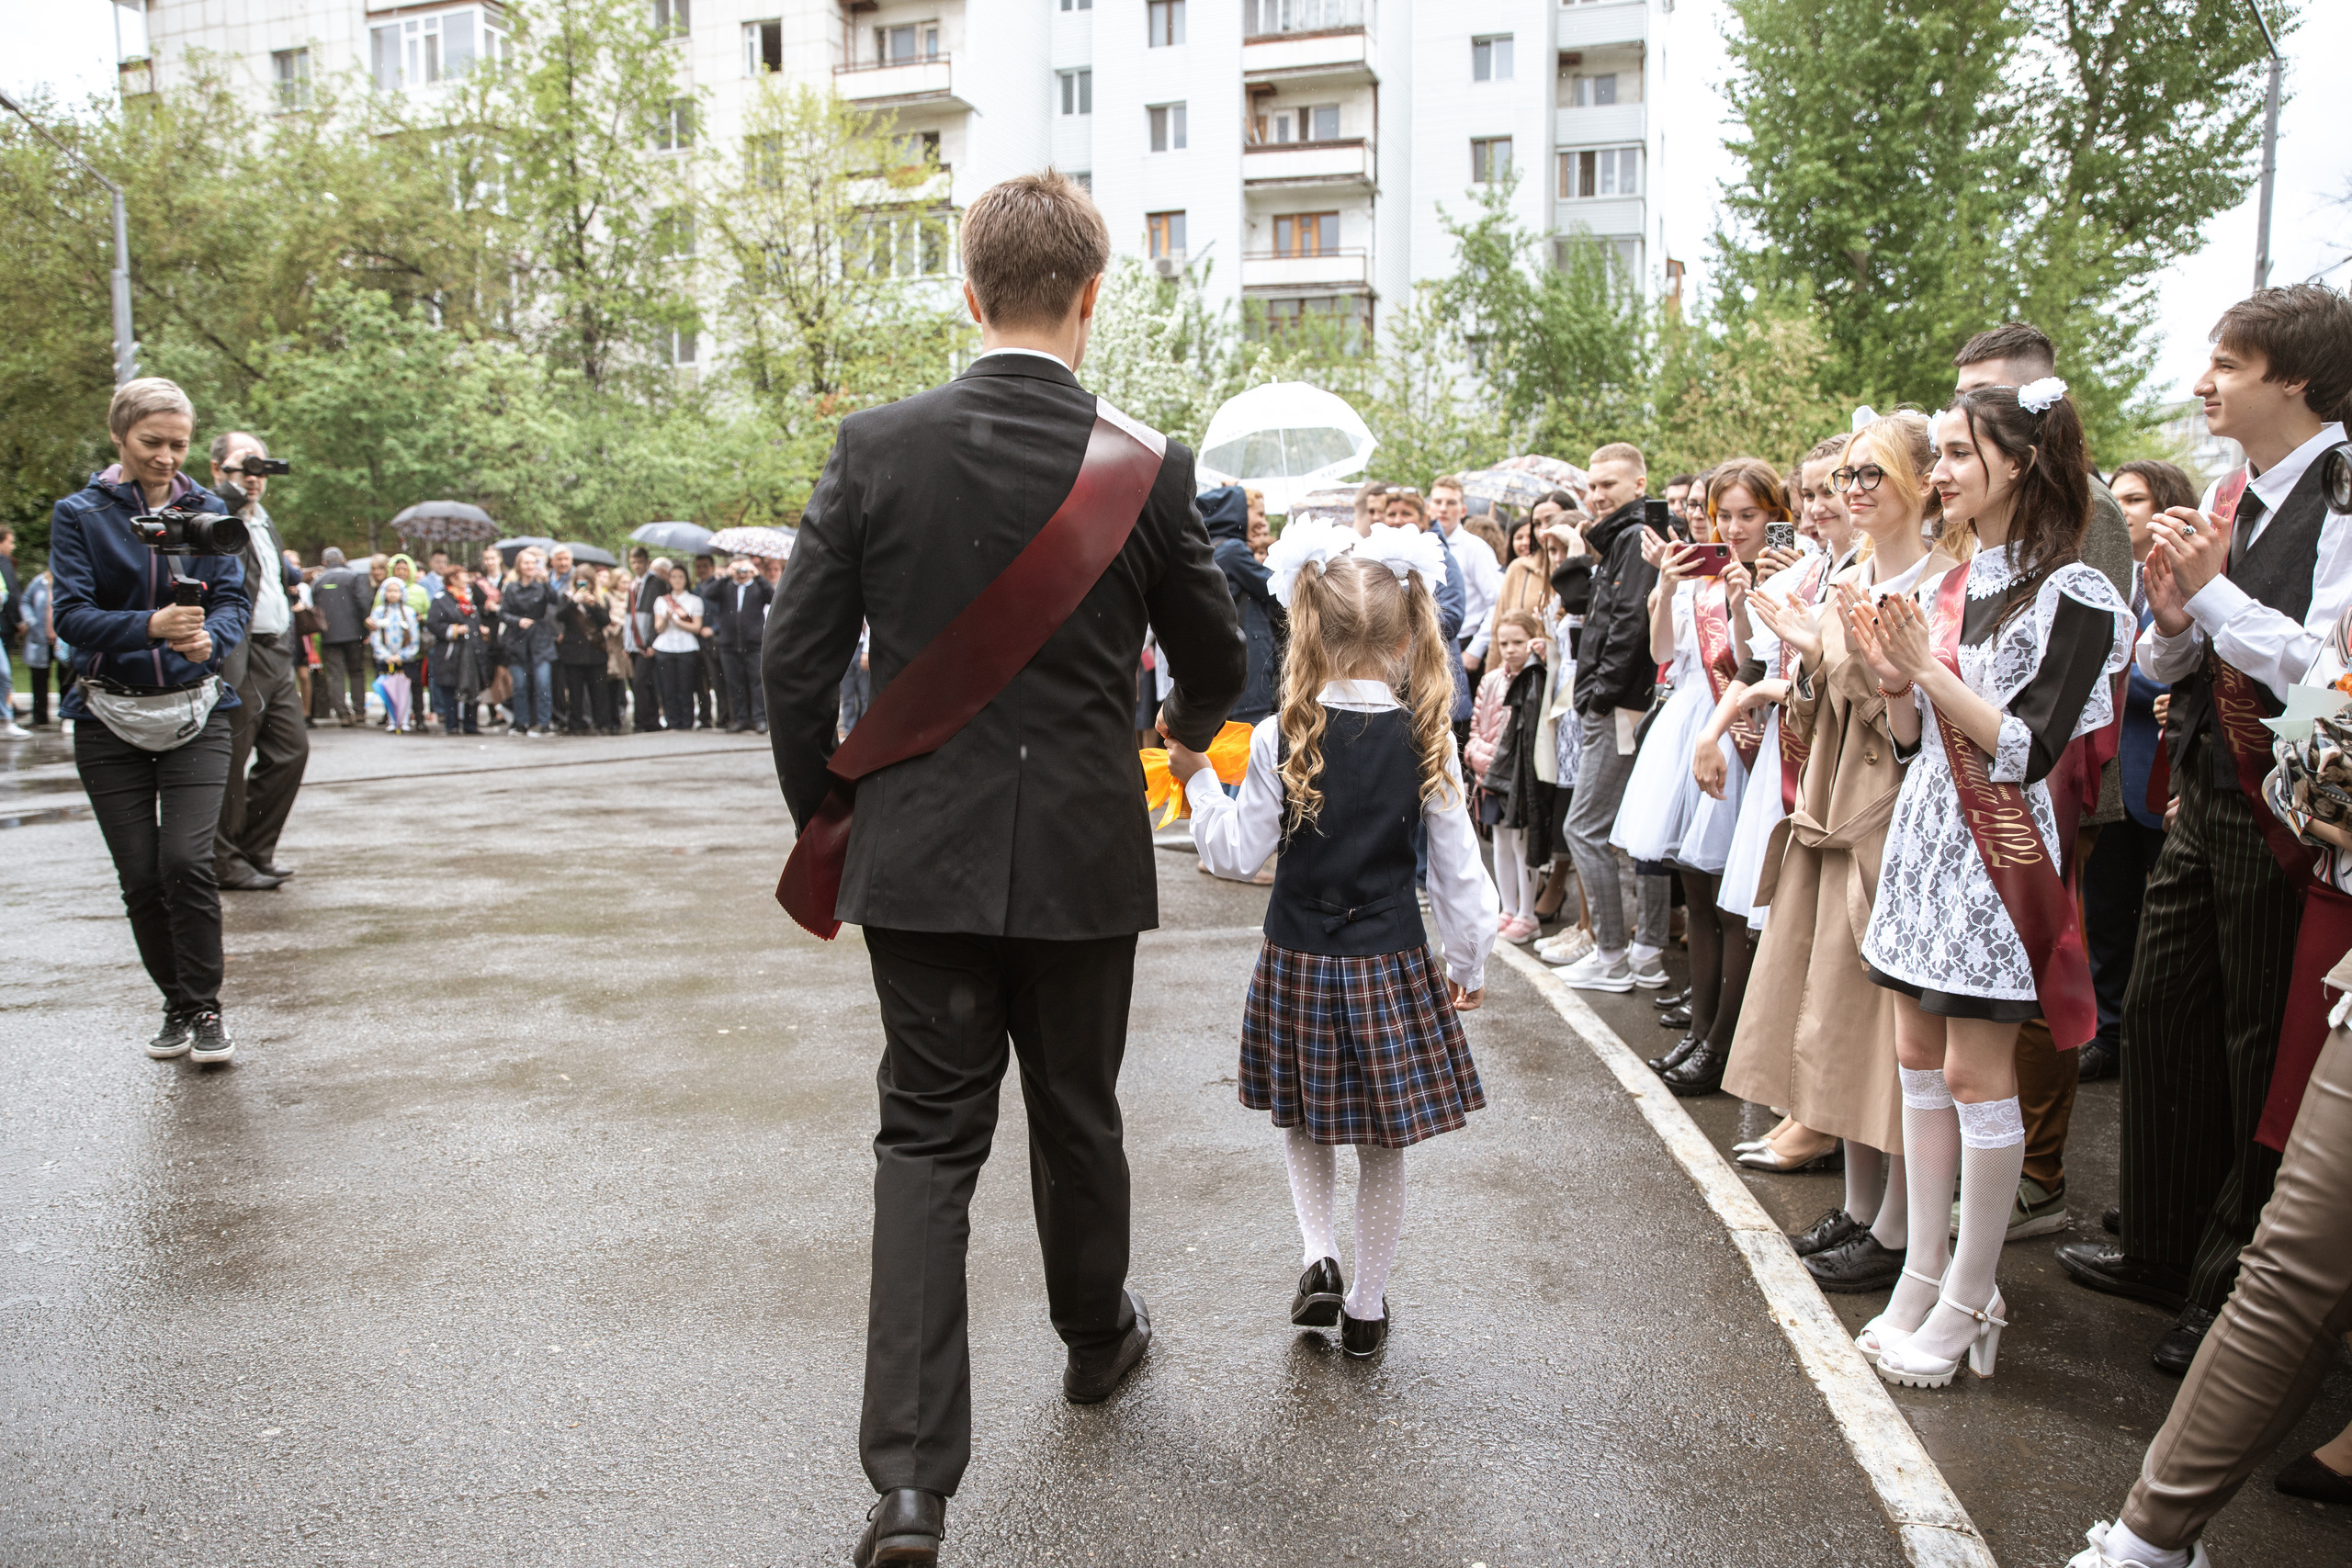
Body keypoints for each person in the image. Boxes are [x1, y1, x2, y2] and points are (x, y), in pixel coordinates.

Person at [761, 170, 1245, 1568]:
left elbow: (794, 665)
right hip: (1089, 853)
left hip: (917, 856)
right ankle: (1097, 1339)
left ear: (966, 294)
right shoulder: (1146, 466)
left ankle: (910, 1482)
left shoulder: (874, 444)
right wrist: (1182, 726)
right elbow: (1216, 658)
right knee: (1079, 1112)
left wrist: (834, 818)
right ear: (1094, 296)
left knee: (924, 1138)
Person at [2064, 283, 2352, 1377]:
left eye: (2227, 364)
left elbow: (2330, 679)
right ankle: (2163, 1239)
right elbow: (2173, 662)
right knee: (2169, 1017)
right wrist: (2179, 621)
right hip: (2204, 791)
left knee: (2253, 1046)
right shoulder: (2243, 494)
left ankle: (2229, 1285)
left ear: (2295, 378)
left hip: (2285, 815)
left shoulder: (2339, 494)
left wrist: (2215, 597)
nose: (2203, 384)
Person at [1847, 382, 2132, 1389]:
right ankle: (1922, 1273)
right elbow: (1917, 741)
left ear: (2021, 461)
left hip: (1997, 852)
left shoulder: (2079, 594)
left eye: (1961, 454)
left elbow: (2023, 747)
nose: (1941, 474)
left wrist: (1924, 672)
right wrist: (1894, 684)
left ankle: (1972, 1293)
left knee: (1976, 1075)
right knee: (1915, 1059)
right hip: (1929, 837)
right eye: (1940, 455)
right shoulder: (1957, 581)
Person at [1178, 532, 1496, 1358]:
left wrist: (1198, 779)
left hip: (1297, 956)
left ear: (1308, 630)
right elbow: (1462, 875)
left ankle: (1317, 1251)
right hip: (1389, 959)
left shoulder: (1284, 730)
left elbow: (1233, 853)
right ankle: (1364, 1303)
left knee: (1308, 1119)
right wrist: (1468, 963)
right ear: (1405, 639)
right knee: (1381, 1139)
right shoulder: (1428, 737)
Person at [1732, 416, 1961, 1281]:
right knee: (1834, 1011)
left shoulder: (1943, 584)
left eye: (1872, 473)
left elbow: (1909, 718)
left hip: (1892, 813)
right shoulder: (1851, 577)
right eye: (1847, 475)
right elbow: (1817, 704)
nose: (1854, 488)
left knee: (1889, 1030)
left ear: (1916, 479)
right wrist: (1804, 649)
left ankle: (1897, 1227)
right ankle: (1861, 1208)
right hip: (1834, 800)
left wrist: (1837, 655)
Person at [51, 377, 252, 1063]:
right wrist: (150, 626)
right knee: (140, 875)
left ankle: (208, 1007)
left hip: (199, 712)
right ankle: (181, 1003)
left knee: (187, 860)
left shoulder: (211, 509)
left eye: (180, 444)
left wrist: (210, 641)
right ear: (119, 435)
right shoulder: (80, 514)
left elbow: (232, 600)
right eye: (152, 443)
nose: (167, 457)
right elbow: (70, 617)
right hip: (108, 718)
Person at [1627, 459, 1783, 1095]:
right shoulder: (1697, 576)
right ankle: (1701, 1028)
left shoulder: (1774, 574)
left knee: (1730, 903)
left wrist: (1746, 600)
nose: (1736, 527)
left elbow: (1750, 659)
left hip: (1742, 729)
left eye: (1751, 514)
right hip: (1693, 721)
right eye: (1727, 516)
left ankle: (1722, 1043)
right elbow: (1664, 652)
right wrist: (1664, 588)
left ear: (1775, 515)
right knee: (1697, 896)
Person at [2076, 458, 2196, 1083]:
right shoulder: (2108, 576)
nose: (2121, 511)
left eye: (2136, 498)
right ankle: (2108, 1030)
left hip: (2163, 775)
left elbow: (2168, 665)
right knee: (2106, 911)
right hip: (2111, 775)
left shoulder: (2193, 580)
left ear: (2169, 505)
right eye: (2115, 500)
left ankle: (2160, 1040)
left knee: (2167, 918)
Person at [1550, 444, 1673, 993]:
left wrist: (1598, 695)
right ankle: (1633, 951)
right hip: (1617, 701)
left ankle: (1614, 953)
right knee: (1626, 830)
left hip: (1618, 705)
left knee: (1586, 827)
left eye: (1609, 486)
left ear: (1639, 483)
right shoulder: (1620, 537)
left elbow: (1630, 625)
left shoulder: (1632, 538)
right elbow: (1595, 611)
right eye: (1592, 486)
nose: (1598, 495)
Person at [206, 434, 309, 892]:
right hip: (238, 651)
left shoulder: (263, 521)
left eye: (261, 467)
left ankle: (253, 849)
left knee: (291, 750)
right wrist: (232, 485)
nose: (254, 476)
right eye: (243, 465)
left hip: (275, 649)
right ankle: (223, 861)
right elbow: (210, 518)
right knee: (234, 754)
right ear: (217, 468)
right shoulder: (214, 512)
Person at [1466, 607, 1549, 940]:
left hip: (1520, 779)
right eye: (1504, 642)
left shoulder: (1539, 678)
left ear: (1534, 641)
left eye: (1519, 641)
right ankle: (1508, 908)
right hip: (1492, 777)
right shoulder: (1490, 680)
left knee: (1521, 843)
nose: (1511, 648)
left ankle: (1528, 914)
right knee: (1500, 841)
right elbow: (1476, 726)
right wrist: (1478, 757)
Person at [1202, 484, 1284, 731]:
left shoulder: (1212, 547)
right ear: (1236, 514)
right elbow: (1276, 590)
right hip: (1249, 669)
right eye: (1258, 514)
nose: (1262, 521)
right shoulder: (1233, 551)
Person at [708, 556, 773, 733]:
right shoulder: (726, 586)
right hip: (729, 644)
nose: (742, 574)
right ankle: (740, 718)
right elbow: (709, 594)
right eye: (739, 570)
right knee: (734, 682)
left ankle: (760, 719)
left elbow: (772, 597)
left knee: (757, 682)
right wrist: (726, 576)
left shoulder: (757, 586)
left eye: (745, 570)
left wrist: (758, 575)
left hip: (754, 643)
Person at [500, 547, 560, 736]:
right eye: (526, 563)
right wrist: (518, 621)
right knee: (520, 685)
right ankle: (521, 722)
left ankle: (544, 723)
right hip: (517, 639)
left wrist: (547, 582)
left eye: (533, 563)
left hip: (539, 638)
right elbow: (502, 613)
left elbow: (554, 600)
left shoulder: (542, 585)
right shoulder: (511, 587)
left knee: (543, 683)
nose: (530, 566)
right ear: (519, 565)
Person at [312, 546, 371, 725]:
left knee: (336, 675)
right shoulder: (354, 577)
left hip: (329, 634)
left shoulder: (318, 581)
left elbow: (314, 606)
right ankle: (359, 711)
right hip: (354, 633)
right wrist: (366, 627)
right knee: (356, 671)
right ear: (343, 559)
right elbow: (364, 600)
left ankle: (343, 713)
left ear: (324, 563)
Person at [426, 564, 486, 735]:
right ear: (452, 579)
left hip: (471, 650)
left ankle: (471, 724)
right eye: (464, 576)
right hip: (451, 652)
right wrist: (453, 630)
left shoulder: (467, 598)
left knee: (472, 684)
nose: (467, 579)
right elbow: (433, 623)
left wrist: (479, 629)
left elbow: (473, 620)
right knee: (450, 687)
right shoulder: (441, 599)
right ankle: (451, 724)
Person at [556, 568, 613, 734]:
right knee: (575, 692)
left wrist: (593, 605)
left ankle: (601, 723)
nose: (583, 585)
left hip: (595, 651)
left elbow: (605, 621)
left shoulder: (601, 598)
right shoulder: (567, 597)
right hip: (573, 652)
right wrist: (574, 602)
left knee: (599, 692)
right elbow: (560, 617)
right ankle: (576, 724)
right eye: (579, 582)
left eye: (586, 582)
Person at [651, 565, 704, 732]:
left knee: (686, 686)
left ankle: (687, 721)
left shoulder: (694, 600)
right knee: (668, 687)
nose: (677, 580)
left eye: (681, 577)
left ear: (686, 579)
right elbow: (658, 628)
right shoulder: (662, 601)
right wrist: (666, 619)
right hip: (665, 647)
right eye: (674, 577)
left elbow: (696, 627)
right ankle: (672, 721)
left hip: (686, 647)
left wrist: (679, 623)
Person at [368, 573, 422, 732]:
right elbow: (375, 637)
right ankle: (392, 719)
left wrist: (402, 655)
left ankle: (404, 719)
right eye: (389, 591)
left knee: (405, 689)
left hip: (405, 659)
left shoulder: (409, 612)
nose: (392, 594)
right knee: (389, 689)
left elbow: (414, 638)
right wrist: (386, 656)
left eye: (396, 591)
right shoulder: (378, 612)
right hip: (386, 659)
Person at [628, 556, 670, 732]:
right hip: (635, 641)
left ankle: (645, 721)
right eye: (633, 562)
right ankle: (649, 721)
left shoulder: (656, 583)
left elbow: (655, 615)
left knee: (641, 682)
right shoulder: (634, 584)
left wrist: (651, 641)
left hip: (649, 640)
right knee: (644, 682)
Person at [22, 560, 60, 728]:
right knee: (39, 679)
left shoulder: (67, 581)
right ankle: (40, 717)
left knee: (66, 678)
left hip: (63, 641)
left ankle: (66, 716)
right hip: (40, 639)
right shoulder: (39, 582)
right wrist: (31, 621)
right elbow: (25, 602)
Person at [692, 553, 726, 729]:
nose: (701, 570)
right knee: (700, 682)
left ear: (712, 567)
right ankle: (704, 717)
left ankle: (723, 717)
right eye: (698, 566)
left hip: (713, 640)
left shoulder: (718, 587)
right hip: (696, 641)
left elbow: (724, 614)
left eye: (705, 566)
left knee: (717, 680)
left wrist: (712, 629)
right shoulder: (694, 590)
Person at [0, 525, 26, 739]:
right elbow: (11, 593)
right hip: (3, 626)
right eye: (10, 541)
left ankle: (7, 715)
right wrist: (18, 620)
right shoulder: (3, 561)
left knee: (4, 673)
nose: (13, 546)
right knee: (3, 673)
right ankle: (6, 717)